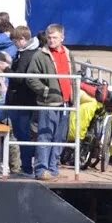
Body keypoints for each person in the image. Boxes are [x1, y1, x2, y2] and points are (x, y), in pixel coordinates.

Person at [5, 26, 52, 176]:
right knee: (21, 133)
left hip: (23, 101)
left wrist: (6, 70)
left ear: (22, 40)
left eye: (15, 41)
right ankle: (23, 165)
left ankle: (26, 167)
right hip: (21, 101)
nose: (14, 44)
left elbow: (20, 78)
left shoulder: (27, 55)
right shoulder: (24, 53)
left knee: (22, 134)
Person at [35, 24, 76, 180]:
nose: (51, 40)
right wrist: (45, 91)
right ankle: (41, 170)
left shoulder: (67, 54)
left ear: (62, 38)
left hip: (65, 102)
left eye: (55, 38)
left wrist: (74, 97)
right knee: (45, 135)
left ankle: (53, 168)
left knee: (59, 137)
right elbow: (32, 77)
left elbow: (73, 75)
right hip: (49, 103)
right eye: (49, 37)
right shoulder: (41, 55)